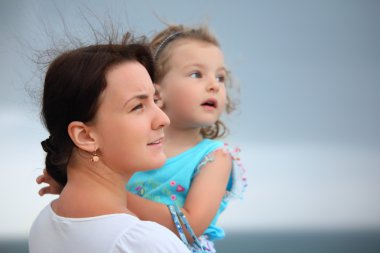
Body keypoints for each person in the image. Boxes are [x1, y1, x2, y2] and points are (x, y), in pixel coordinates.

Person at [37, 24, 247, 252]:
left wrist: (94, 194)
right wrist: (83, 191)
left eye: (221, 77)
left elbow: (189, 227)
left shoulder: (215, 157)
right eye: (196, 74)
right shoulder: (133, 154)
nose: (214, 86)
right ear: (160, 89)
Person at [29, 32, 190, 253]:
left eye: (154, 100)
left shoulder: (43, 224)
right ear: (85, 136)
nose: (164, 119)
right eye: (137, 106)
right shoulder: (143, 244)